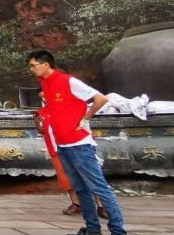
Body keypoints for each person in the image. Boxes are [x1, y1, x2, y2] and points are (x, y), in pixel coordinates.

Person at [28, 50, 127, 235]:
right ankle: (92, 229)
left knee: (99, 188)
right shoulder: (46, 85)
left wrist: (85, 118)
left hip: (80, 144)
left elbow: (101, 99)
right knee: (81, 189)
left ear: (45, 64)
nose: (31, 69)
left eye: (33, 65)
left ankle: (117, 230)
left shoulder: (68, 81)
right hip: (62, 145)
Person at [34, 90, 108, 219]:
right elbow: (44, 131)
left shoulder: (69, 107)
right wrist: (36, 123)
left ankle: (101, 205)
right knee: (67, 178)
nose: (45, 99)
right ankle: (76, 203)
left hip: (77, 147)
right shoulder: (42, 112)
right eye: (42, 97)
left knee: (90, 176)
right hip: (56, 148)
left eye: (47, 95)